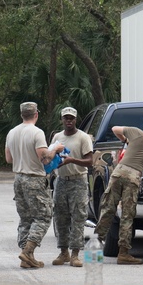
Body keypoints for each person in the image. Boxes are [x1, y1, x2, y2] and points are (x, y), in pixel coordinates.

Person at [94, 115, 143, 264]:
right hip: (134, 176)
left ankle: (94, 249)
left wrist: (125, 140)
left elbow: (114, 129)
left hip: (119, 172)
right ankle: (123, 253)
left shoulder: (135, 132)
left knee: (107, 208)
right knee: (127, 214)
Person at [5, 101, 64, 268]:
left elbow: (8, 159)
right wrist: (55, 150)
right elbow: (44, 158)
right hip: (34, 179)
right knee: (43, 216)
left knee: (26, 218)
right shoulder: (37, 132)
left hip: (18, 178)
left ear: (21, 114)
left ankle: (26, 257)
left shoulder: (12, 132)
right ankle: (28, 251)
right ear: (36, 114)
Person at [50, 106, 94, 267]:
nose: (69, 121)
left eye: (71, 118)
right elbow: (50, 156)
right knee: (60, 217)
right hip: (61, 180)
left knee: (78, 217)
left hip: (78, 181)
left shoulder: (83, 137)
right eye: (66, 118)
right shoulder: (57, 137)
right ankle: (64, 253)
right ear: (62, 119)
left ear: (76, 120)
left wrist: (71, 160)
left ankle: (75, 254)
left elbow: (90, 161)